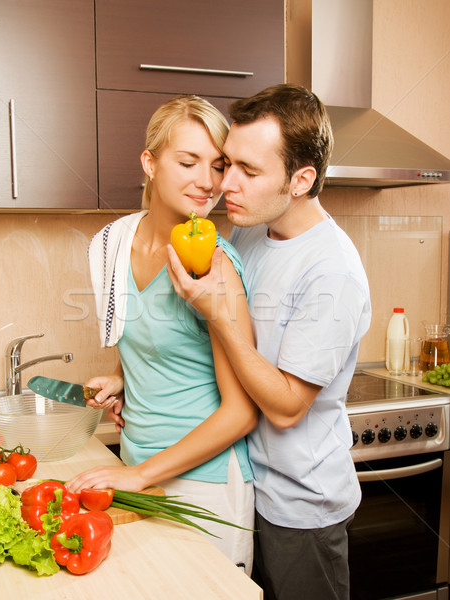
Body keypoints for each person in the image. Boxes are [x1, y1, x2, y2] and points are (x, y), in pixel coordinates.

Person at [167, 84, 372, 600]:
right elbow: (233, 358)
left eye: (249, 171)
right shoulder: (251, 231)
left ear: (301, 179)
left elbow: (284, 408)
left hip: (301, 508)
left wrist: (216, 314)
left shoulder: (333, 271)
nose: (225, 184)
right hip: (249, 488)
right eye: (228, 163)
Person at [66, 95, 258, 573]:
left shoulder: (213, 265)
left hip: (205, 483)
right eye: (188, 161)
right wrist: (122, 376)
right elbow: (159, 336)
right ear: (149, 163)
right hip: (136, 466)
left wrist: (138, 474)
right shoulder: (116, 244)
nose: (207, 181)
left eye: (218, 165)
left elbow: (241, 413)